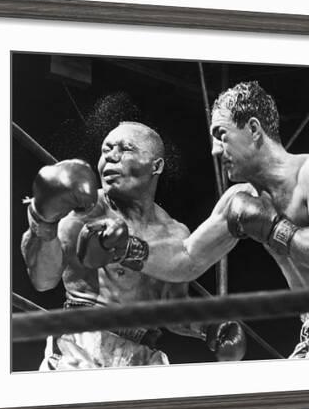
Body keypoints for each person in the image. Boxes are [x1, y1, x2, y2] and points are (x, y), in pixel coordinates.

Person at [131, 82, 309, 359]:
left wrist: (274, 228)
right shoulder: (240, 198)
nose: (214, 150)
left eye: (221, 135)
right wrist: (127, 248)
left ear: (253, 129)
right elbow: (186, 259)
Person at [20, 121, 246, 370]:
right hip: (81, 343)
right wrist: (42, 221)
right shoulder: (85, 210)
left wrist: (208, 327)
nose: (111, 158)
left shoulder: (174, 232)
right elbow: (43, 280)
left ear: (156, 166)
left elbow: (170, 308)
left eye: (124, 149)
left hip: (142, 355)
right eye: (106, 151)